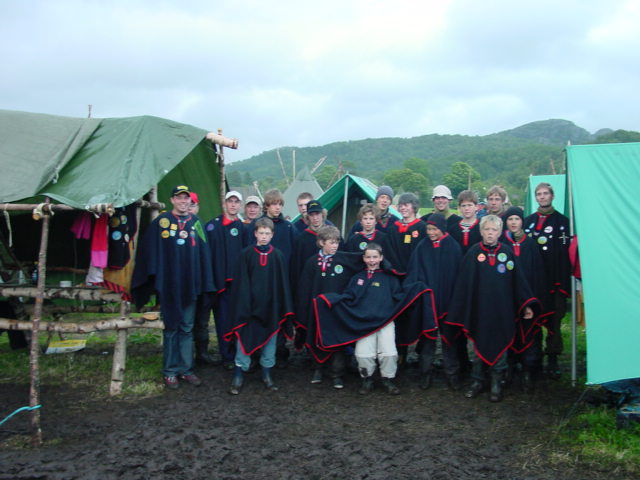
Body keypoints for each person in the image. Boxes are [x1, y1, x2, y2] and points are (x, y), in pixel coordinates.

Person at [312, 243, 434, 395]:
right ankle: (367, 379)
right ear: (363, 258)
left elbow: (399, 297)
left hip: (385, 322)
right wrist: (329, 299)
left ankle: (388, 379)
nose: (372, 260)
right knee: (363, 354)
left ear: (381, 258)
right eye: (368, 257)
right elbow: (349, 297)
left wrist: (417, 290)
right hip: (363, 323)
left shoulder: (390, 278)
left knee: (389, 352)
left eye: (375, 257)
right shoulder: (357, 278)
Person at [447, 215, 540, 402]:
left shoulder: (507, 253)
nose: (490, 233)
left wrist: (526, 305)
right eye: (487, 229)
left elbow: (518, 281)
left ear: (500, 232)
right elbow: (464, 284)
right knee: (477, 345)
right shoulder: (473, 253)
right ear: (481, 231)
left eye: (494, 230)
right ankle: (477, 380)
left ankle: (496, 382)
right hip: (479, 310)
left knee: (500, 342)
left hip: (502, 310)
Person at [132, 185, 215, 389]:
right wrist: (153, 278)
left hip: (191, 285)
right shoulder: (161, 223)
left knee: (187, 327)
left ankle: (186, 369)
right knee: (171, 328)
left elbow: (204, 253)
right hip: (169, 286)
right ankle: (170, 371)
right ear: (172, 200)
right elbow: (148, 251)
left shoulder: (196, 223)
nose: (183, 201)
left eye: (186, 198)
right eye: (179, 198)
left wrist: (205, 281)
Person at [225, 217, 294, 395]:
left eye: (267, 233)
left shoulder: (278, 256)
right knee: (243, 340)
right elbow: (241, 283)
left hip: (271, 309)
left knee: (270, 343)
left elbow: (282, 285)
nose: (264, 236)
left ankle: (267, 374)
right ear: (255, 233)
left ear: (272, 235)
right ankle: (239, 374)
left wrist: (279, 306)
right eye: (261, 233)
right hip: (249, 309)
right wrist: (246, 305)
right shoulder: (246, 254)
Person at [294, 225, 364, 388]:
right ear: (321, 242)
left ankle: (337, 373)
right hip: (317, 311)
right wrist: (304, 311)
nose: (335, 246)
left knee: (337, 340)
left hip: (336, 310)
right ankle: (318, 369)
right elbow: (304, 289)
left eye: (337, 242)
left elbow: (363, 260)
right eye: (331, 242)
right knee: (316, 338)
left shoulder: (343, 259)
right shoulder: (311, 262)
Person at [406, 213, 463, 391]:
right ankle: (425, 374)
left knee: (449, 341)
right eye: (428, 229)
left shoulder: (453, 247)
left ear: (442, 229)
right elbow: (414, 271)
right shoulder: (422, 246)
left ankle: (452, 375)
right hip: (428, 303)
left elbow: (458, 276)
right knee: (428, 341)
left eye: (434, 229)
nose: (430, 232)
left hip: (447, 303)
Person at [523, 182, 571, 378]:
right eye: (539, 194)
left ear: (552, 196)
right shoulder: (528, 221)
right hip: (533, 281)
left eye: (545, 194)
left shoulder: (563, 222)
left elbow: (565, 254)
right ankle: (533, 358)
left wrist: (562, 283)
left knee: (553, 321)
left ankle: (552, 358)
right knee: (532, 319)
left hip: (554, 282)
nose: (542, 197)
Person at [503, 206, 551, 392]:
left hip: (527, 299)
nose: (513, 222)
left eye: (517, 219)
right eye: (510, 219)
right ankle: (509, 369)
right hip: (508, 298)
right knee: (509, 333)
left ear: (522, 221)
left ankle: (528, 370)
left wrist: (530, 302)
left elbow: (537, 274)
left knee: (530, 334)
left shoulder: (530, 244)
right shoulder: (502, 243)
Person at [199, 190, 245, 370]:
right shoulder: (212, 226)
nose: (233, 205)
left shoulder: (243, 227)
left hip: (238, 285)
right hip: (219, 285)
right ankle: (227, 356)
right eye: (230, 201)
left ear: (239, 205)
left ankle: (239, 354)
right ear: (224, 203)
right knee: (223, 321)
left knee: (238, 320)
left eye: (236, 202)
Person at [382, 192, 426, 274]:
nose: (402, 208)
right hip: (395, 273)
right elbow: (388, 252)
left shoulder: (422, 228)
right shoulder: (393, 229)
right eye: (401, 205)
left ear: (414, 206)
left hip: (416, 273)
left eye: (406, 205)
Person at [448, 190, 482, 256]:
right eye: (463, 206)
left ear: (476, 207)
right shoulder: (453, 229)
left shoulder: (482, 227)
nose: (466, 208)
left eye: (469, 205)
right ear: (459, 208)